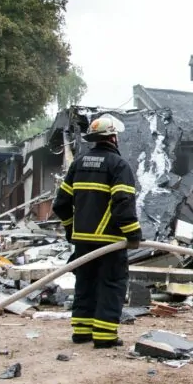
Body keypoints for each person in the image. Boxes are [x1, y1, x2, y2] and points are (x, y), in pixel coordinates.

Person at [52, 114, 142, 348]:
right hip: (110, 242)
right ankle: (104, 336)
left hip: (83, 242)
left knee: (86, 284)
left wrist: (71, 230)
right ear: (113, 138)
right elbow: (123, 203)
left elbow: (60, 204)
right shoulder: (118, 165)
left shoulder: (78, 164)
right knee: (111, 284)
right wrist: (133, 234)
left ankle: (82, 331)